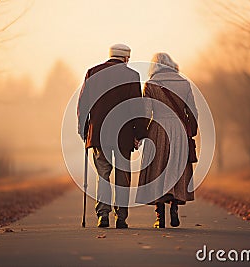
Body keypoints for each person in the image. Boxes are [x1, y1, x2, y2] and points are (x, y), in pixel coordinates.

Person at [77, 44, 146, 228]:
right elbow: (137, 107)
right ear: (125, 58)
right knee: (123, 177)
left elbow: (83, 104)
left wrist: (83, 129)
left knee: (103, 175)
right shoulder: (132, 76)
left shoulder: (93, 72)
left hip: (99, 134)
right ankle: (121, 217)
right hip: (123, 135)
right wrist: (139, 133)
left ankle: (103, 215)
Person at [136, 53, 198, 228]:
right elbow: (192, 111)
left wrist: (141, 135)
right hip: (179, 132)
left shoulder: (151, 84)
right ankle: (175, 207)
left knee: (157, 170)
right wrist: (191, 132)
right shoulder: (184, 83)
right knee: (176, 168)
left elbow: (146, 112)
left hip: (158, 130)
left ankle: (159, 216)